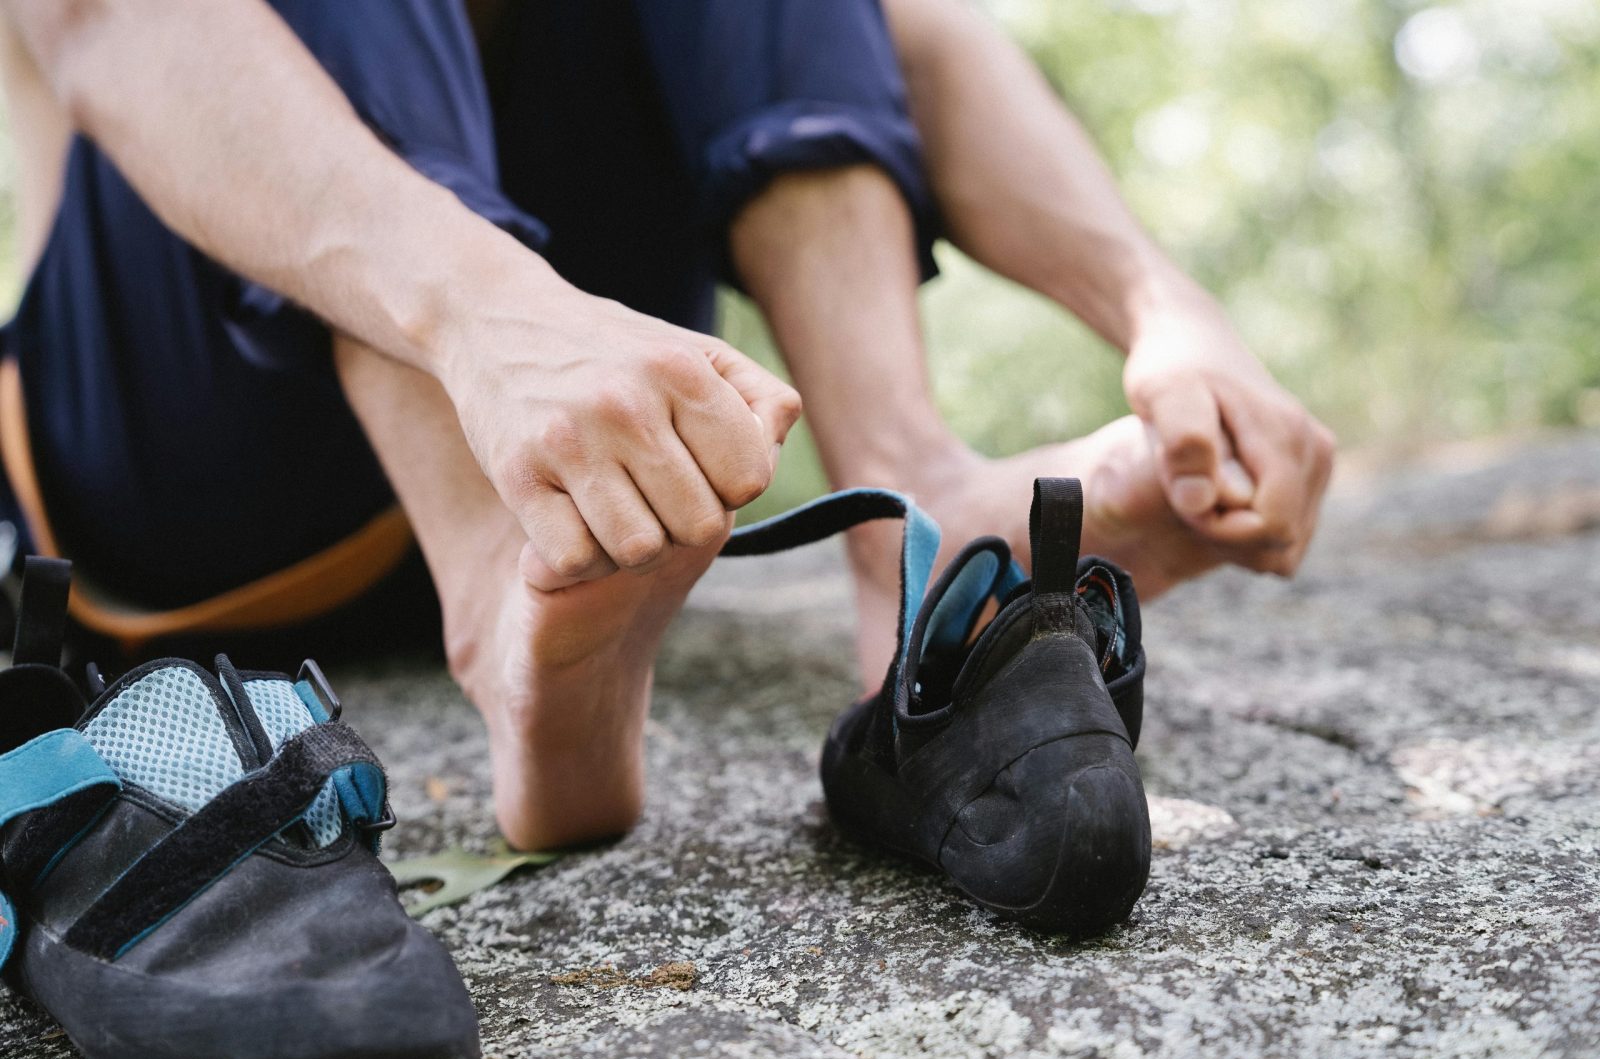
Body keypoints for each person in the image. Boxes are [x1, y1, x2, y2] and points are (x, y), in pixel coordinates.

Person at [0, 0, 1333, 852]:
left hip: (576, 443)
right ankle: (495, 594)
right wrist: (482, 307)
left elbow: (906, 35)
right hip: (199, 460)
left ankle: (911, 506)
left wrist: (1164, 311)